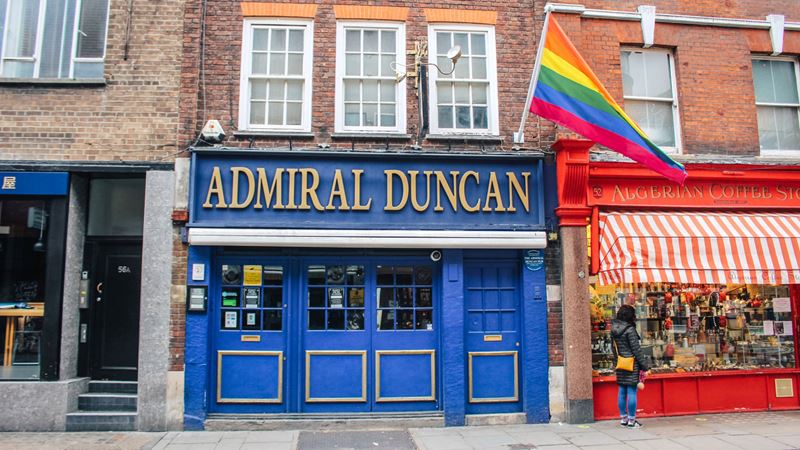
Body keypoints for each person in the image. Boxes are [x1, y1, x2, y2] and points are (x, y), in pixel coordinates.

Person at [611, 304, 651, 428]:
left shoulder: (613, 328)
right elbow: (637, 350)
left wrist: (617, 360)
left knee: (622, 391)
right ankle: (632, 421)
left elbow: (613, 348)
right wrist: (645, 367)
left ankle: (623, 418)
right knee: (632, 391)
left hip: (621, 363)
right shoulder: (630, 330)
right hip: (631, 363)